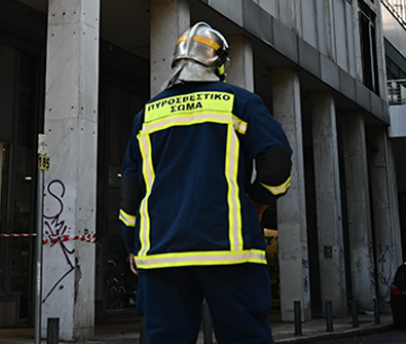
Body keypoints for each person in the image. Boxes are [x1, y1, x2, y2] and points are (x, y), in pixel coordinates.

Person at [120, 22, 292, 344]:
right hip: (229, 250)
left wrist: (132, 244)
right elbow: (276, 162)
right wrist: (257, 201)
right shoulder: (239, 103)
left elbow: (131, 189)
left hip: (162, 254)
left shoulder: (146, 116)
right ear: (220, 63)